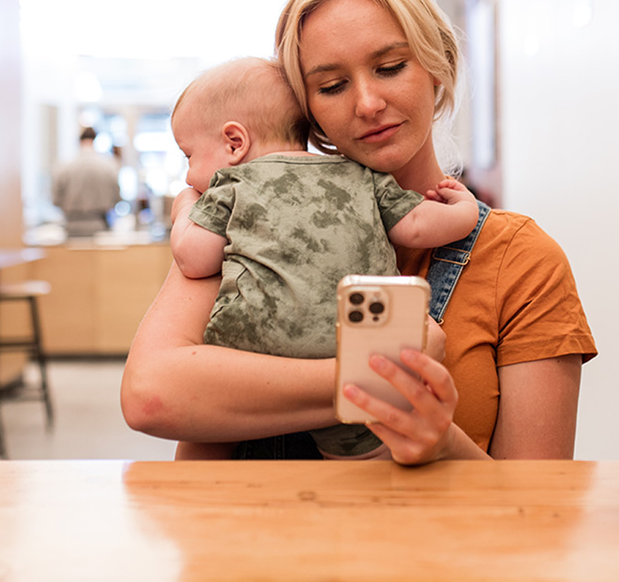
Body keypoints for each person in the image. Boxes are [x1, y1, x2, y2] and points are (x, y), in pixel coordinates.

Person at [121, 0, 597, 463]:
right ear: (308, 111)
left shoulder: (522, 262)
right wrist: (374, 378)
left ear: (438, 66)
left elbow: (538, 512)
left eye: (390, 67)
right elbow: (151, 395)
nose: (368, 103)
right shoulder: (242, 221)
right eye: (331, 86)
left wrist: (442, 445)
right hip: (255, 542)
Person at [169, 56, 478, 460]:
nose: (189, 175)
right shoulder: (360, 178)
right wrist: (466, 208)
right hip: (359, 351)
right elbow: (420, 228)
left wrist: (183, 210)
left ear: (234, 142)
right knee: (366, 457)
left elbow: (194, 259)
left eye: (188, 156)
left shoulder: (232, 185)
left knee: (207, 442)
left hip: (250, 368)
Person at [52, 127, 121, 237]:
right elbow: (117, 198)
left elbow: (56, 200)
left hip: (71, 227)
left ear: (79, 141)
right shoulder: (109, 166)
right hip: (100, 227)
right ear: (95, 140)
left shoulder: (63, 167)